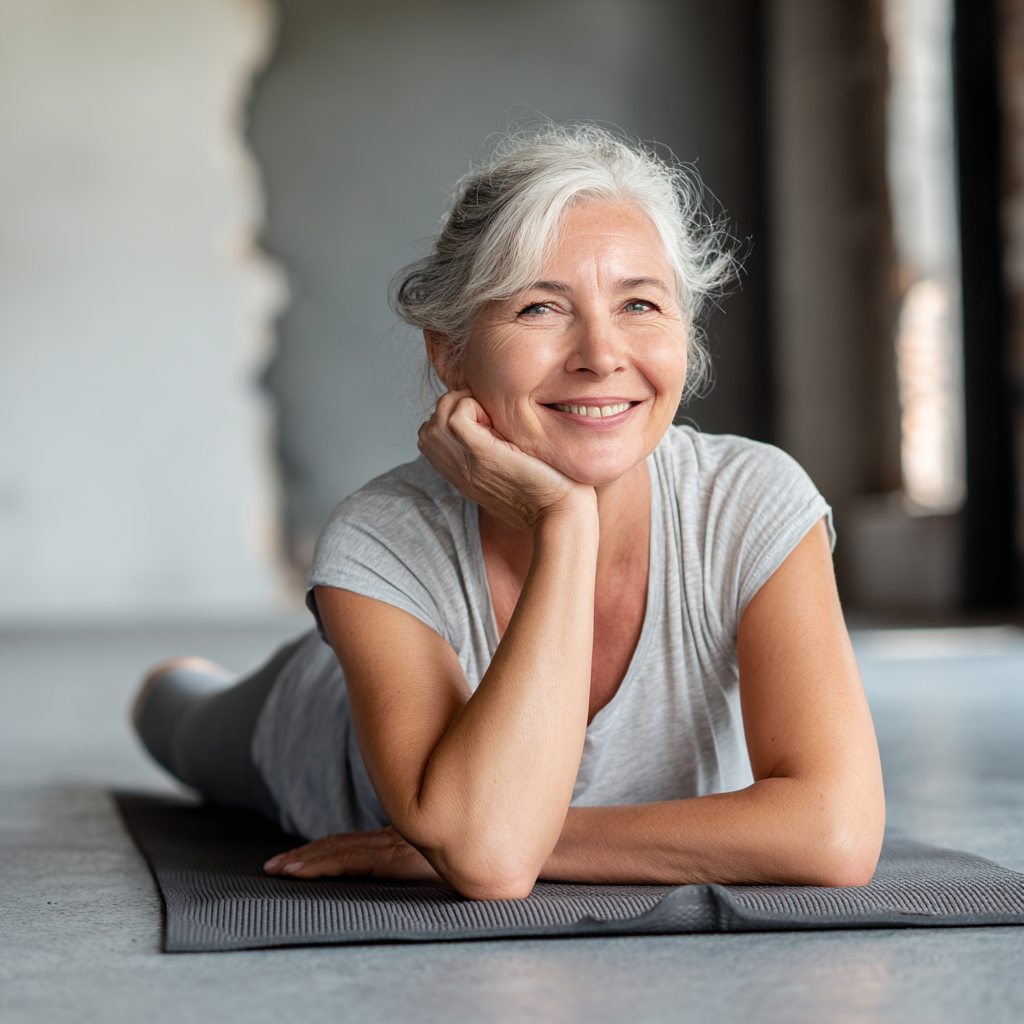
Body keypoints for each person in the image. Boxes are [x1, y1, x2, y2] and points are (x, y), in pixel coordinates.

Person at [133, 125, 885, 900]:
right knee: (181, 718)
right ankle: (178, 682)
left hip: (460, 795)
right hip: (324, 715)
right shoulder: (382, 537)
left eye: (639, 304)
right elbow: (492, 860)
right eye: (540, 309)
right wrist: (565, 525)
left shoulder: (753, 501)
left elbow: (833, 835)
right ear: (449, 353)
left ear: (684, 337)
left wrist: (491, 838)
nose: (600, 353)